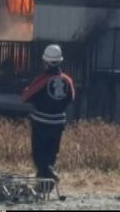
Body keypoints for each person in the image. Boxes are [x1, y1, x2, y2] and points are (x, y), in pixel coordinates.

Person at [21, 44, 75, 185]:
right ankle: (45, 184)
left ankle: (48, 174)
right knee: (51, 154)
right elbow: (71, 97)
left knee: (39, 155)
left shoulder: (41, 80)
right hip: (58, 123)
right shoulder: (67, 80)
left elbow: (25, 97)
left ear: (45, 62)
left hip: (40, 122)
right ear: (60, 61)